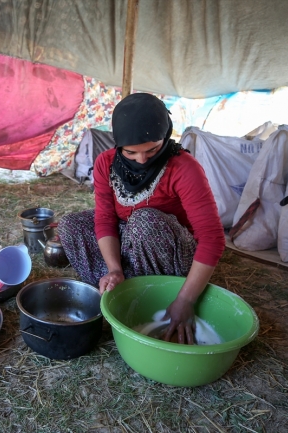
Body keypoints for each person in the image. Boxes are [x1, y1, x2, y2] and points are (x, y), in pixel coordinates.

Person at [58, 93, 225, 345]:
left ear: (166, 135)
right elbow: (105, 218)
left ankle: (153, 302)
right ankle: (117, 290)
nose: (142, 159)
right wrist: (114, 268)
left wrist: (185, 300)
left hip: (170, 249)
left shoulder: (184, 168)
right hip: (130, 240)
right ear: (117, 144)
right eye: (131, 152)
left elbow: (212, 238)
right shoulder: (106, 163)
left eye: (152, 149)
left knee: (143, 221)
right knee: (71, 225)